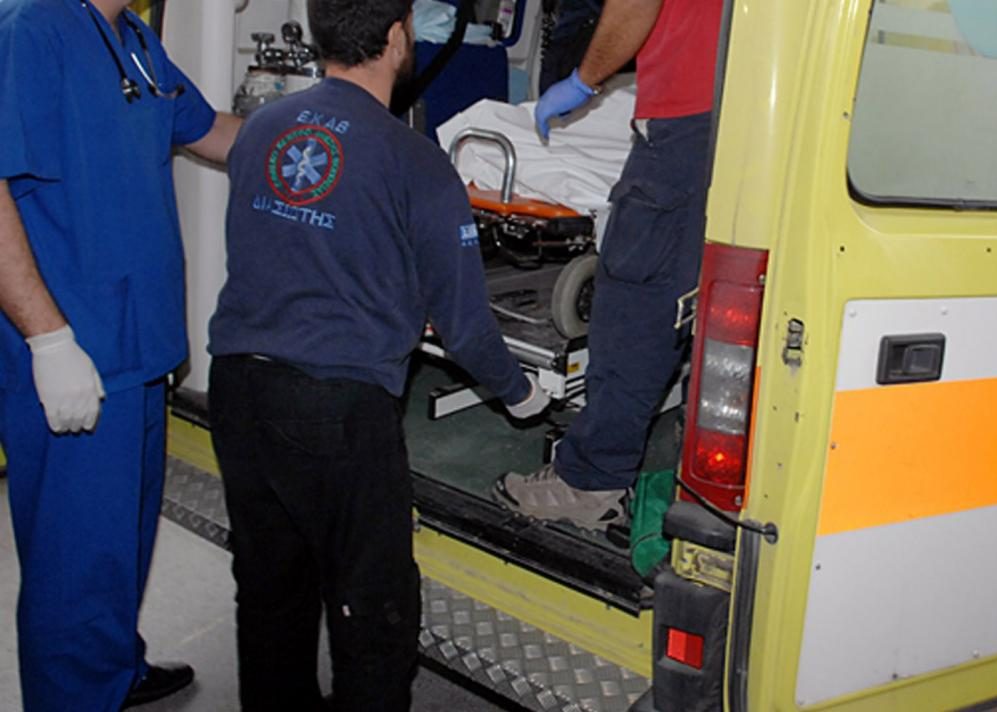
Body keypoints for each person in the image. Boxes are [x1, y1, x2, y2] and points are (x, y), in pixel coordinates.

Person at [205, 1, 549, 709]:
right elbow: (464, 325)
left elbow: (281, 246)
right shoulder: (416, 161)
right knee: (373, 609)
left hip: (236, 387)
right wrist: (522, 395)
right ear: (396, 38)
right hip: (337, 409)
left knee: (270, 590)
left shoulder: (262, 128)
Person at [0, 1, 241, 709]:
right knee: (75, 560)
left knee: (120, 543)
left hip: (137, 350)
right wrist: (48, 339)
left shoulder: (133, 38)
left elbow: (212, 132)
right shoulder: (28, 31)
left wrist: (331, 130)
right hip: (76, 352)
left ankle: (111, 672)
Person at [493, 0, 723, 531]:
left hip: (687, 121)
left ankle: (590, 482)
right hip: (749, 115)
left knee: (636, 305)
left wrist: (584, 80)